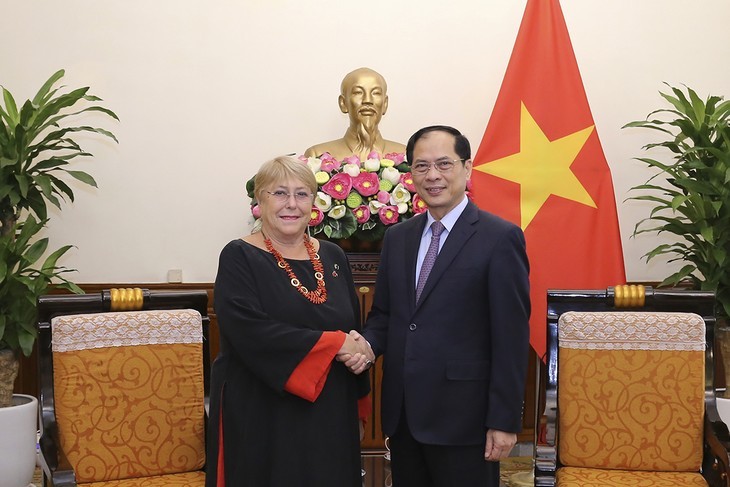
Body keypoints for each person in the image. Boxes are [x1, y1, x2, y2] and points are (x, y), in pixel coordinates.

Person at [348, 125, 531, 486]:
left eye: (444, 164)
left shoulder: (500, 238)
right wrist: (366, 347)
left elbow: (511, 337)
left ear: (467, 168)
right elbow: (385, 315)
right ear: (410, 173)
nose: (432, 176)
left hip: (466, 420)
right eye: (421, 166)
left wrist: (504, 420)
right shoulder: (398, 237)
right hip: (404, 417)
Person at [207, 156, 372, 487]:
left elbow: (351, 325)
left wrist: (361, 354)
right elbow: (248, 331)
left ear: (313, 202)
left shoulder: (333, 256)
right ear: (260, 200)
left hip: (330, 408)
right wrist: (336, 343)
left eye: (302, 194)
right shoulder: (239, 255)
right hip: (263, 409)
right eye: (279, 193)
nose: (291, 204)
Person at [304, 67, 406, 161]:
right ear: (343, 103)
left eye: (376, 93)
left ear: (385, 104)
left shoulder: (405, 155)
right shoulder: (317, 157)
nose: (367, 100)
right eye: (358, 92)